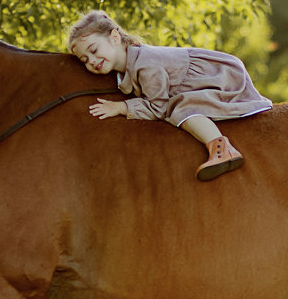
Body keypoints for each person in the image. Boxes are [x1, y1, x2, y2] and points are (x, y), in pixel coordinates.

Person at [67, 10, 273, 181]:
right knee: (177, 106)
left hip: (220, 76)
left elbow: (158, 107)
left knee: (179, 108)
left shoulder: (146, 64)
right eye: (84, 60)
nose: (91, 61)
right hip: (206, 77)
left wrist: (122, 107)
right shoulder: (128, 68)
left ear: (114, 38)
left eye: (94, 50)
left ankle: (222, 148)